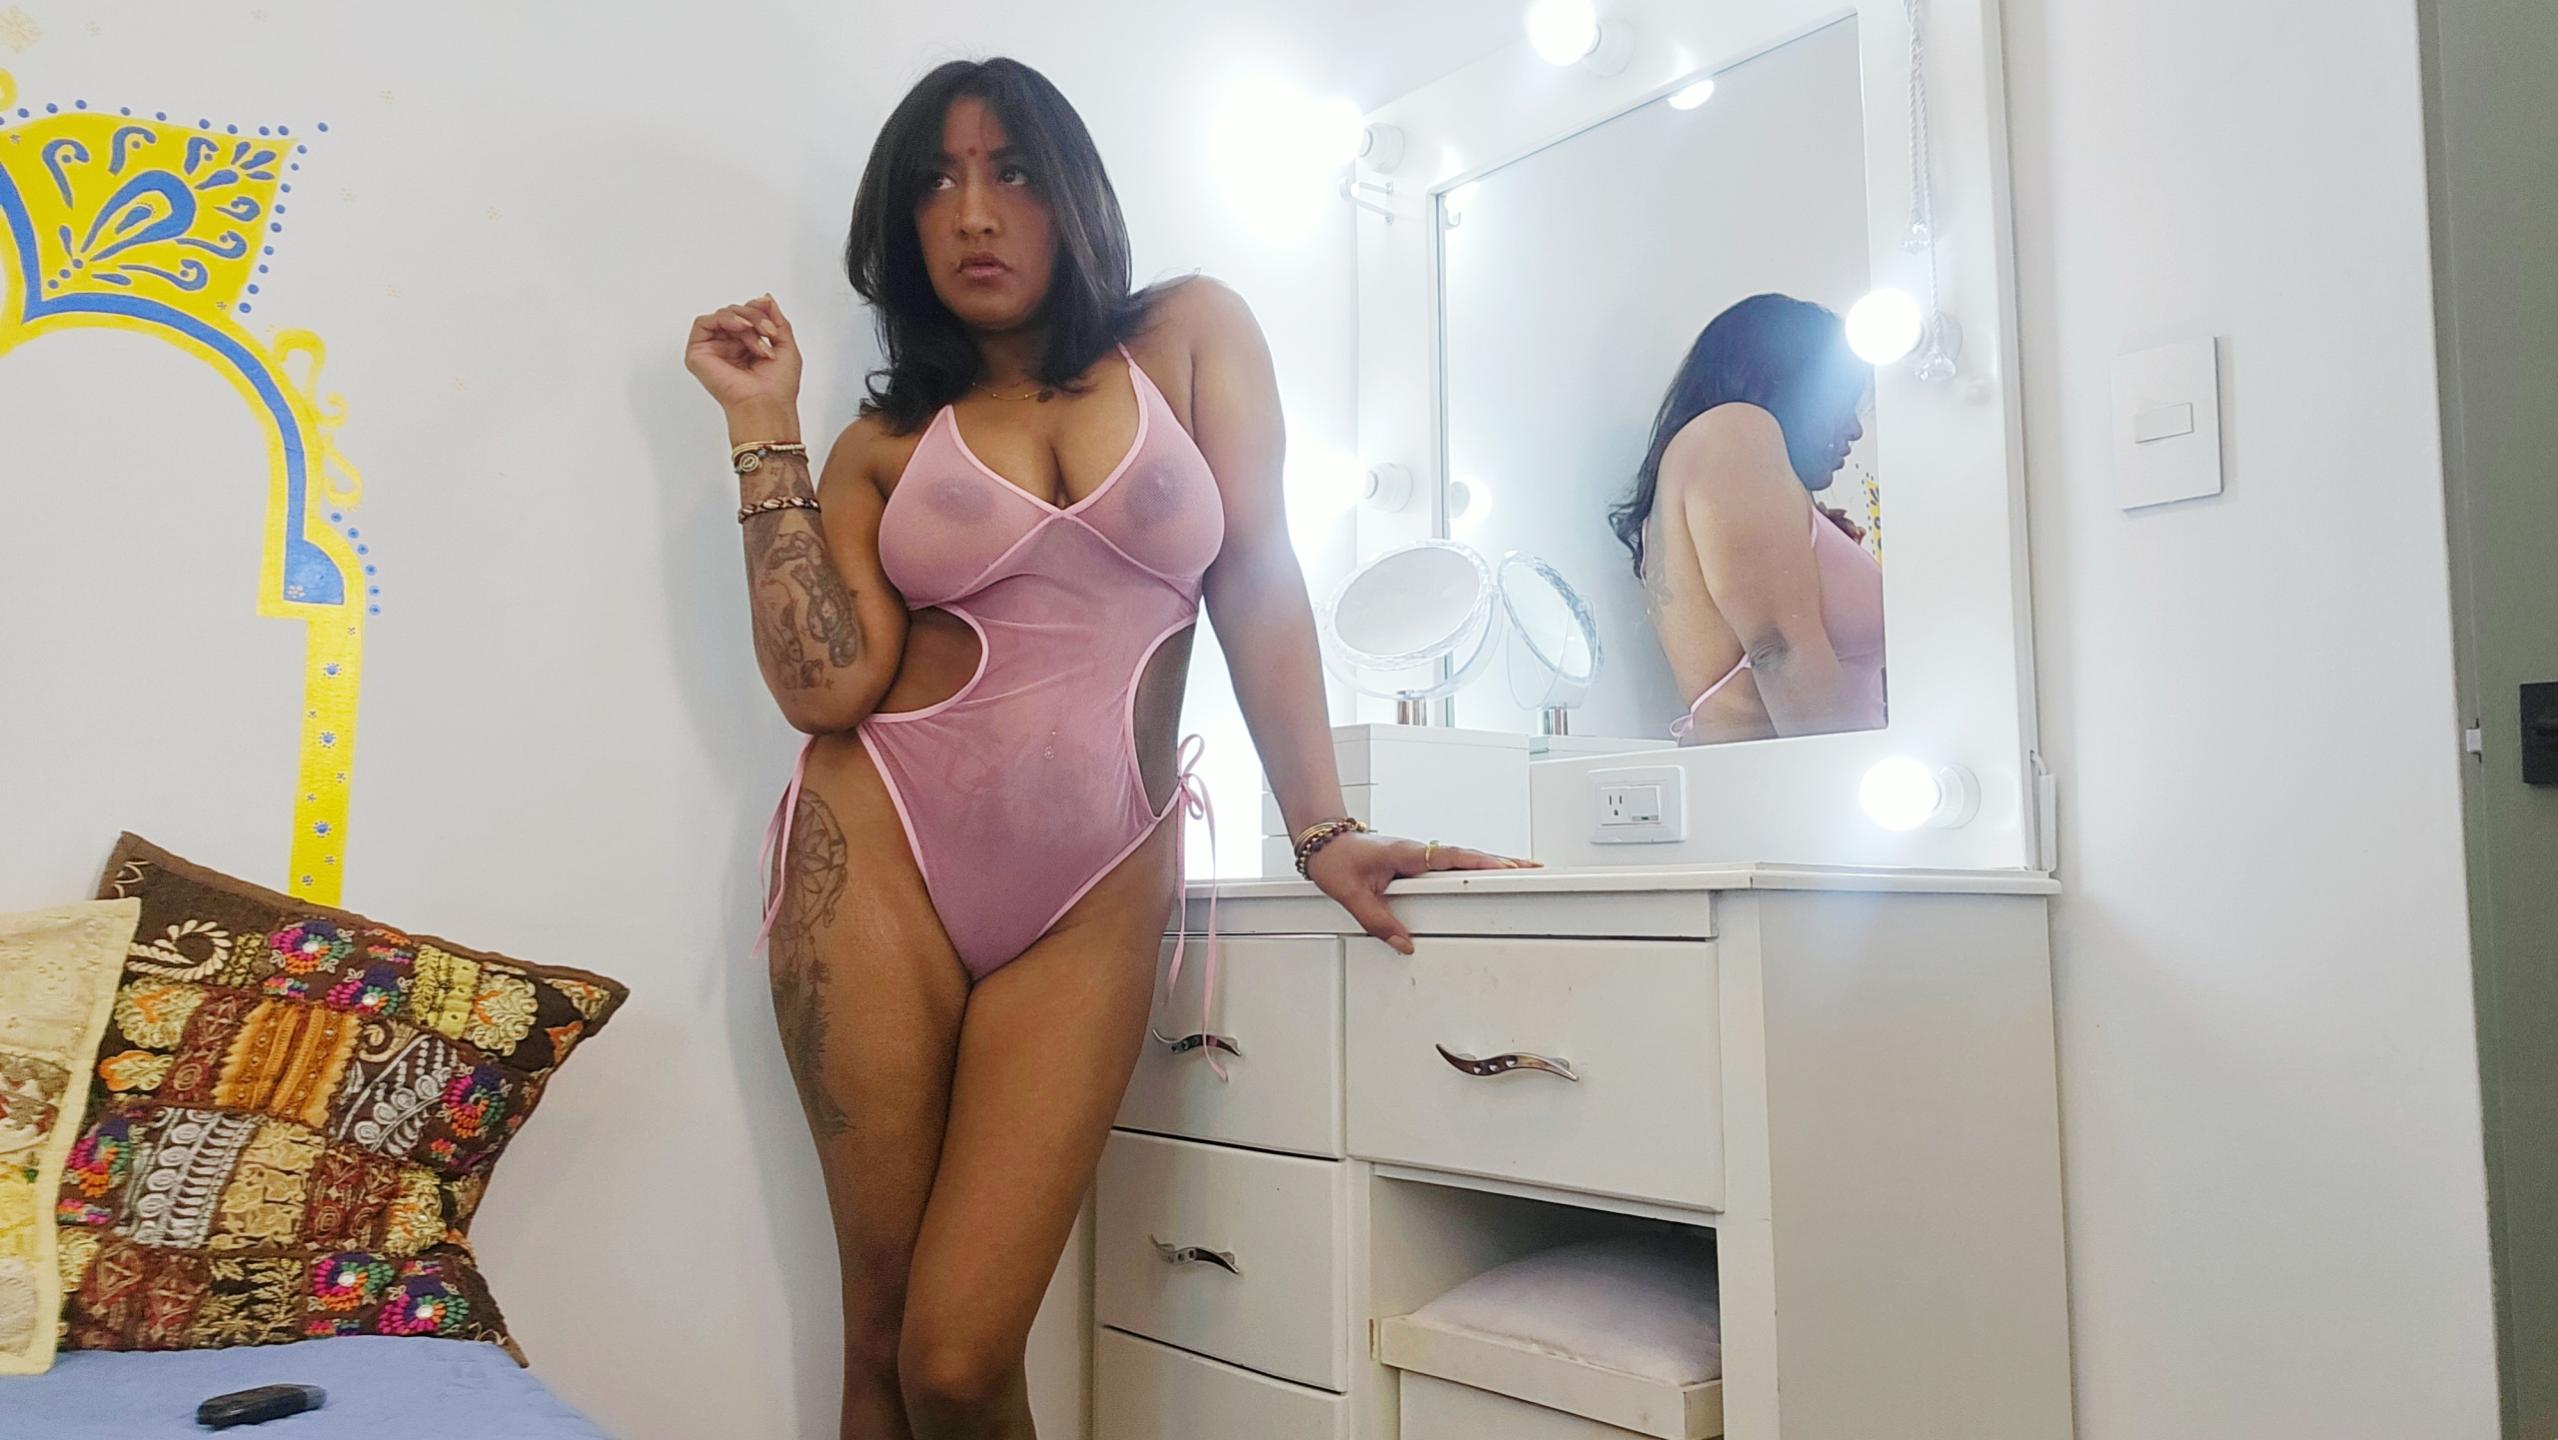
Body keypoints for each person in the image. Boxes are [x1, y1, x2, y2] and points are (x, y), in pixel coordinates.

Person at [682, 57, 1525, 1440]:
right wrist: (762, 427)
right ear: (900, 225)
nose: (972, 212)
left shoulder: (1187, 334)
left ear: (1071, 190)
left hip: (1093, 886)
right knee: (882, 1349)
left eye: (1009, 170)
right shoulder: (884, 442)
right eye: (935, 183)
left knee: (960, 1357)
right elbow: (822, 689)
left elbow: (1256, 574)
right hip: (876, 852)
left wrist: (1320, 827)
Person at [1607, 293, 1883, 746]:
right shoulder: (1733, 431)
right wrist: (1839, 779)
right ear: (1784, 380)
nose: (1854, 429)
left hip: (1773, 773)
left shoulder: (1724, 458)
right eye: (1841, 400)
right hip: (1790, 778)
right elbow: (1779, 650)